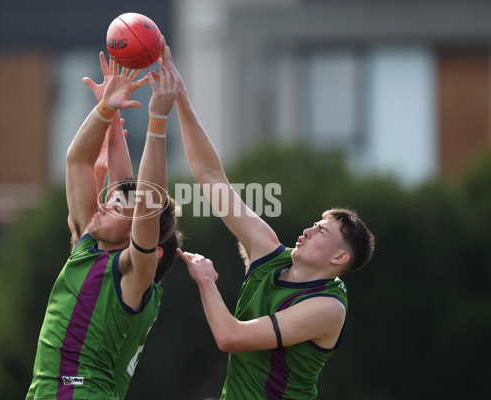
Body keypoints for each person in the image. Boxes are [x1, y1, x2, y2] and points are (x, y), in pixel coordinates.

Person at [159, 43, 375, 399]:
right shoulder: (269, 253)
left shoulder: (327, 308)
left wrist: (207, 282)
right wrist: (181, 97)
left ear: (339, 258)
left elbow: (231, 338)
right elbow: (212, 177)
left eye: (321, 231)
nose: (306, 230)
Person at [26, 41, 183, 400]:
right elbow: (78, 162)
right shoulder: (89, 248)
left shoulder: (131, 274)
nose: (104, 204)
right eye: (108, 199)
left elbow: (144, 204)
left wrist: (157, 120)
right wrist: (107, 111)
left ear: (139, 236)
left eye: (116, 207)